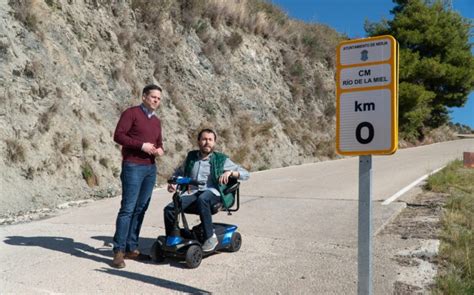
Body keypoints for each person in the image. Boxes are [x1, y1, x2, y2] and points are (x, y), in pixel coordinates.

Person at [164, 128, 249, 252]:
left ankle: (210, 237)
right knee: (170, 209)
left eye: (210, 140)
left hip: (213, 194)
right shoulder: (191, 157)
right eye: (204, 139)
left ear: (214, 142)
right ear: (198, 141)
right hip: (192, 192)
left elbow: (246, 174)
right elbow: (179, 172)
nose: (207, 142)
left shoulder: (221, 159)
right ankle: (172, 237)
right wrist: (174, 183)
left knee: (203, 199)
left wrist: (230, 172)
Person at [111, 84, 164, 268]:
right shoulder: (131, 113)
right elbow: (118, 136)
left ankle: (131, 248)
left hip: (150, 168)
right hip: (133, 166)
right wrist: (141, 146)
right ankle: (118, 250)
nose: (156, 100)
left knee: (141, 208)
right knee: (128, 208)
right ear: (144, 97)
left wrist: (159, 150)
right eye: (153, 97)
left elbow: (159, 142)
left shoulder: (156, 121)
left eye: (158, 98)